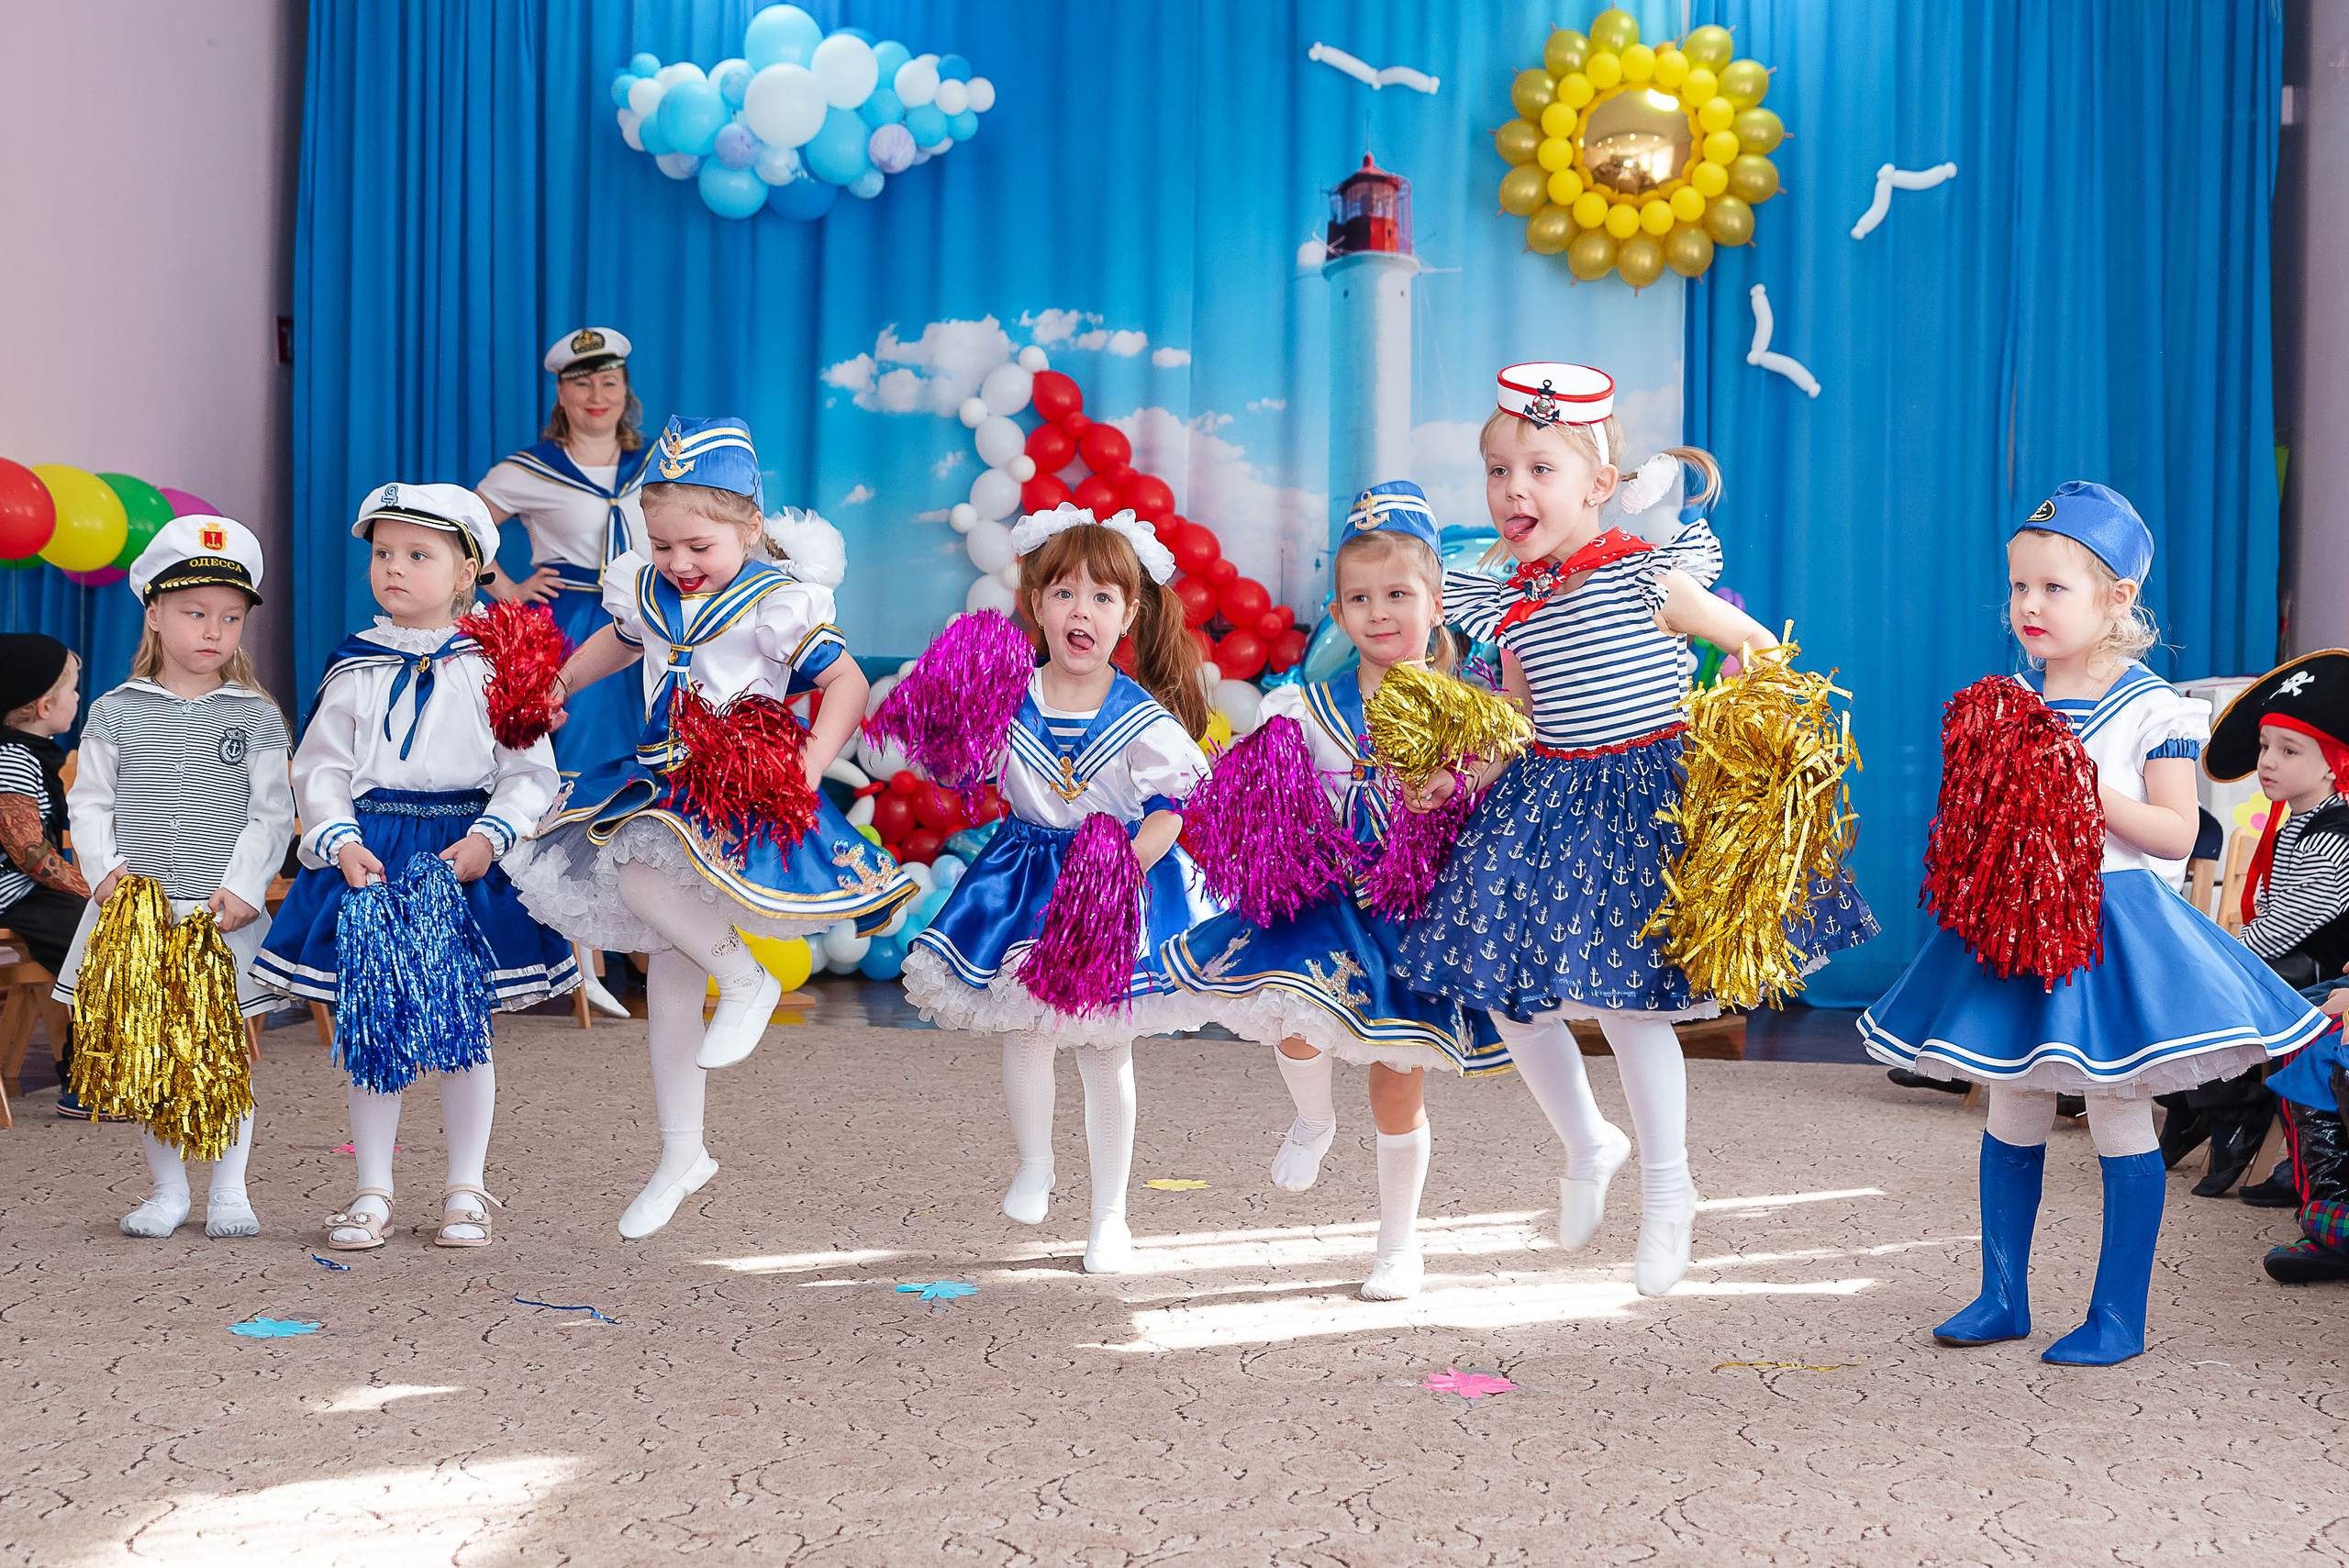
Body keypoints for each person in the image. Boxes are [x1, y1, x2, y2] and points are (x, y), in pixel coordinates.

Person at [1394, 363, 1876, 1297]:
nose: (1512, 489)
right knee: (1509, 992)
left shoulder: (1647, 573)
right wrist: (1459, 771)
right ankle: (1587, 1141)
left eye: (1538, 467)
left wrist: (1744, 707)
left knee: (1630, 1006)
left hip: (1642, 794)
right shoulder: (1510, 600)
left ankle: (1669, 1191)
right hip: (1549, 794)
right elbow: (1524, 717)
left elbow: (1758, 646)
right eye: (1497, 471)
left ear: (1597, 484)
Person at [1863, 482, 2329, 1363]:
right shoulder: (2008, 695)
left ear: (2117, 600)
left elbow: (2179, 831)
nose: (2029, 606)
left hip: (2111, 928)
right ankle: (2003, 1294)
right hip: (2016, 927)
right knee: (2013, 1106)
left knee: (2118, 1115)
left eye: (2054, 588)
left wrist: (2076, 781)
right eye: (2018, 588)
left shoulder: (2156, 708)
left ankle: (2118, 1314)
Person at [510, 416, 918, 1240]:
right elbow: (621, 643)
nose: (677, 563)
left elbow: (843, 685)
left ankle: (747, 979)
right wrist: (564, 681)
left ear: (749, 527)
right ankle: (680, 1150)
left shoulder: (776, 599)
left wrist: (807, 767)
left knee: (636, 877)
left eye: (696, 545)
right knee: (664, 970)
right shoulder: (654, 589)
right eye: (661, 546)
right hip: (664, 771)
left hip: (739, 784)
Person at [1161, 484, 1511, 1301]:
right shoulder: (1307, 707)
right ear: (1336, 609)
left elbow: (1488, 812)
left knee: (1398, 1078)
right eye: (1359, 597)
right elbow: (1266, 804)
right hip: (1325, 902)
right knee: (1293, 1020)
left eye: (1398, 594)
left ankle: (1397, 1244)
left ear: (1437, 601)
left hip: (1413, 917)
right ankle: (1314, 1118)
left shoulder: (1469, 713)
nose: (1379, 612)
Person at [257, 484, 579, 1251]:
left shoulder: (498, 664)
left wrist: (492, 838)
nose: (393, 568)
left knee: (464, 1029)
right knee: (379, 1026)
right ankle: (372, 1190)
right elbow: (321, 768)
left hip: (462, 855)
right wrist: (337, 838)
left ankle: (466, 1190)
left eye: (418, 554)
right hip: (376, 853)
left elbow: (530, 770)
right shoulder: (356, 663)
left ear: (468, 568)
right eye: (382, 553)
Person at [900, 506, 1217, 1276]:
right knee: (1028, 1030)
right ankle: (1035, 1162)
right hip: (1022, 882)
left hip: (1108, 889)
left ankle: (1110, 1215)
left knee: (1107, 1050)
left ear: (1129, 616)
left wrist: (1114, 875)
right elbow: (956, 767)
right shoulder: (1009, 697)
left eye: (1103, 598)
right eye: (1065, 593)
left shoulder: (1143, 719)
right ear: (1036, 605)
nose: (1083, 611)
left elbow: (1169, 814)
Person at [50, 517, 294, 1235]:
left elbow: (272, 813)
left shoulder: (255, 715)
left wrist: (247, 888)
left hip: (218, 916)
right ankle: (168, 1191)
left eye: (230, 617)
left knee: (223, 1054)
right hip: (141, 911)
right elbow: (88, 800)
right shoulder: (114, 710)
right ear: (154, 614)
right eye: (194, 613)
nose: (213, 630)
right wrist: (106, 873)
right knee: (154, 1055)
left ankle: (230, 1190)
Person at [475, 327, 658, 1019]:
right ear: (561, 392)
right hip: (575, 634)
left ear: (624, 391)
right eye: (581, 383)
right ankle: (581, 960)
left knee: (644, 774)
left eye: (608, 382)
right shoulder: (530, 469)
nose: (596, 396)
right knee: (571, 782)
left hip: (646, 632)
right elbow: (465, 528)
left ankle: (648, 935)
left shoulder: (657, 464)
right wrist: (509, 588)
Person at [2174, 653, 2349, 1200]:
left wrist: (2216, 952)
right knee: (2189, 986)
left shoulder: (2333, 834)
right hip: (2289, 963)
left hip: (2310, 967)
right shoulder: (2296, 823)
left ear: (2332, 766)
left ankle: (2236, 1109)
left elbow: (2287, 925)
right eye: (2265, 746)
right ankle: (2201, 1107)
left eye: (2288, 750)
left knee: (2208, 992)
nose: (2267, 761)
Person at [0, 634, 105, 1118]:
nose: (79, 698)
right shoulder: (11, 758)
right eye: (74, 690)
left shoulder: (28, 752)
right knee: (101, 937)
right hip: (13, 893)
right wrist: (98, 890)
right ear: (45, 705)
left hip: (24, 892)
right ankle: (89, 1083)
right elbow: (26, 851)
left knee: (100, 928)